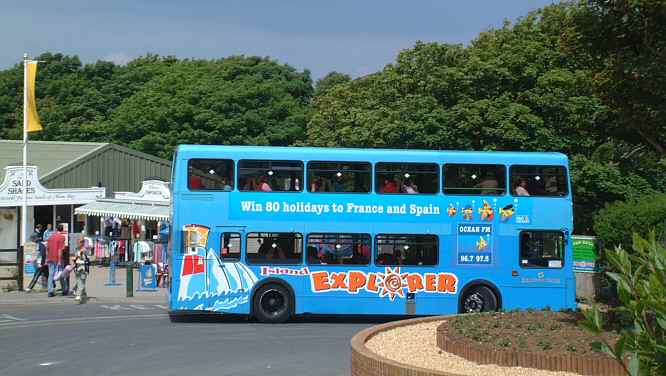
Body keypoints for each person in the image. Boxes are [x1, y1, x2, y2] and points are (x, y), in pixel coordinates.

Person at [46, 224, 66, 297]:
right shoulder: (62, 237)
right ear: (62, 229)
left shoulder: (50, 237)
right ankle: (64, 289)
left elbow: (47, 249)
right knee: (61, 273)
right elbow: (60, 250)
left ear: (56, 229)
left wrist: (46, 259)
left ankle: (50, 291)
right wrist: (60, 261)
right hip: (57, 258)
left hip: (50, 258)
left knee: (51, 274)